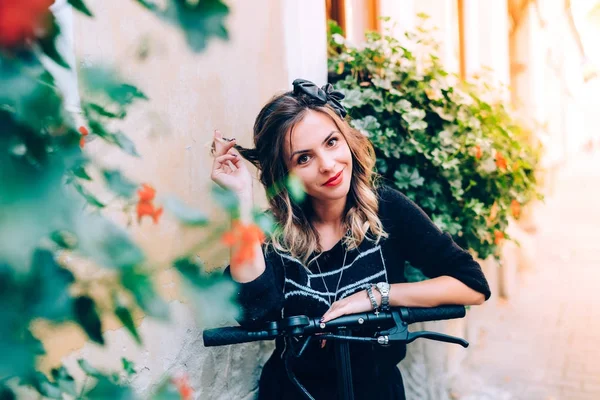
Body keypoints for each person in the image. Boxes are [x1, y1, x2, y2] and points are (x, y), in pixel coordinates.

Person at [209, 79, 491, 400]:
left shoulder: (387, 210)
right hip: (295, 392)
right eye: (304, 158)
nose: (328, 165)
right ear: (284, 173)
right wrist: (241, 200)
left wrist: (377, 296)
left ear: (347, 139)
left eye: (331, 142)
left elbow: (473, 285)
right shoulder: (276, 233)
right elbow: (253, 313)